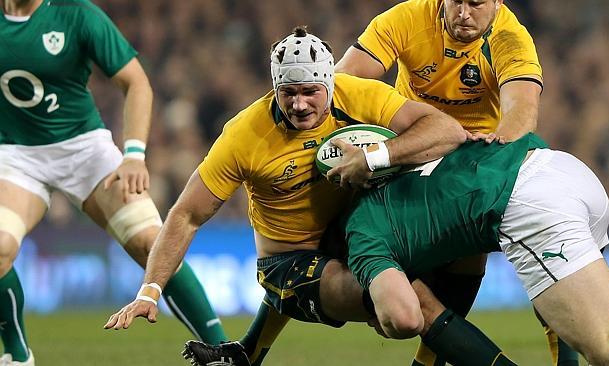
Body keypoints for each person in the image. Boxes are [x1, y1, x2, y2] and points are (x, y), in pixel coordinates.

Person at [104, 27, 518, 366]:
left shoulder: (356, 95)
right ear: (275, 88)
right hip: (290, 264)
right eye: (288, 93)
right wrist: (149, 291)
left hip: (354, 235)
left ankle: (244, 355)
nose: (299, 104)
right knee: (412, 309)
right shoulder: (244, 136)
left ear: (329, 83)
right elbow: (186, 216)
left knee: (457, 263)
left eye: (310, 92)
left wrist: (376, 156)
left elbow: (444, 130)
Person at [0, 1, 227, 364]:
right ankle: (17, 352)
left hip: (85, 150)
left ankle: (224, 351)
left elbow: (136, 81)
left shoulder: (76, 14)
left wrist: (134, 153)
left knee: (151, 244)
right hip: (16, 154)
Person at [344, 132, 609, 366]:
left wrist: (382, 316)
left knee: (605, 348)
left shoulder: (361, 231)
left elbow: (412, 314)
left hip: (530, 204)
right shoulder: (424, 146)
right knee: (567, 296)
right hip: (562, 167)